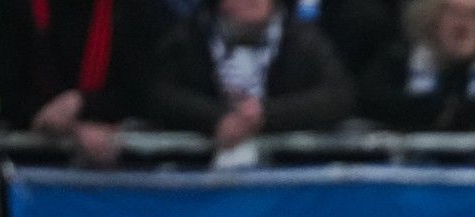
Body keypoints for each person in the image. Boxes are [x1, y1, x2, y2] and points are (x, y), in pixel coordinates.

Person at [0, 0, 166, 165]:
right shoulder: (13, 9)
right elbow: (4, 89)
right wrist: (67, 128)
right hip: (28, 169)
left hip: (125, 172)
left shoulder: (132, 10)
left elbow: (145, 91)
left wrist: (84, 104)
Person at [148, 0, 354, 153]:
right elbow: (158, 94)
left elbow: (338, 95)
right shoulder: (188, 38)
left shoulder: (304, 39)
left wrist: (264, 115)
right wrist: (216, 119)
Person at [360, 0, 475, 130]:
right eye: (454, 13)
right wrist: (431, 110)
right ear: (432, 20)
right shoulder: (398, 60)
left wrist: (470, 111)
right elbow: (370, 101)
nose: (464, 24)